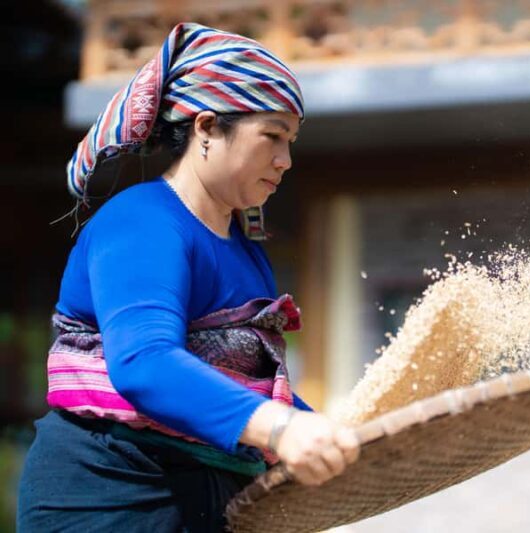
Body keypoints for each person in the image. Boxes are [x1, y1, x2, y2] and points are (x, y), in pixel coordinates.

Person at [17, 22, 360, 532]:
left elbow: (251, 388)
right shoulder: (142, 221)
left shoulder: (245, 249)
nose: (285, 161)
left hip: (211, 496)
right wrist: (284, 429)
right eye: (272, 136)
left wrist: (328, 435)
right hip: (114, 491)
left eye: (290, 141)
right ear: (205, 128)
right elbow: (144, 363)